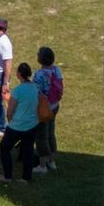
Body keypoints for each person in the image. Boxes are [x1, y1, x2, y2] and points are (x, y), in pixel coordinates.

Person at [0, 61, 42, 185]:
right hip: (32, 125)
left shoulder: (17, 91)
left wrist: (11, 123)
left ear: (19, 75)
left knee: (4, 148)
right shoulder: (35, 87)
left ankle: (7, 176)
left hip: (17, 126)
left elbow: (10, 111)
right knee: (28, 151)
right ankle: (26, 178)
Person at [35, 46, 64, 174]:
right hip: (55, 106)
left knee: (41, 137)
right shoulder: (57, 70)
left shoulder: (39, 74)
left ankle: (42, 165)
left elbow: (36, 92)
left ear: (41, 59)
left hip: (43, 108)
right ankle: (52, 161)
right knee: (51, 133)